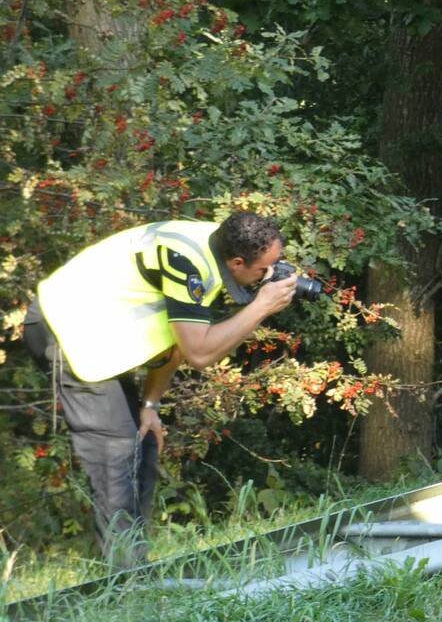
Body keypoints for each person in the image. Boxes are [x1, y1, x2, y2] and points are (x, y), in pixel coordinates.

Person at [22, 212, 297, 566]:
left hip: (99, 340)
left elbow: (176, 345)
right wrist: (262, 306)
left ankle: (135, 567)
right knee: (116, 450)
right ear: (238, 262)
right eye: (264, 269)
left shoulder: (218, 248)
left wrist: (150, 404)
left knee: (143, 442)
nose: (269, 276)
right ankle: (124, 582)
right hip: (63, 329)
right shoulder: (187, 262)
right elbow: (200, 352)